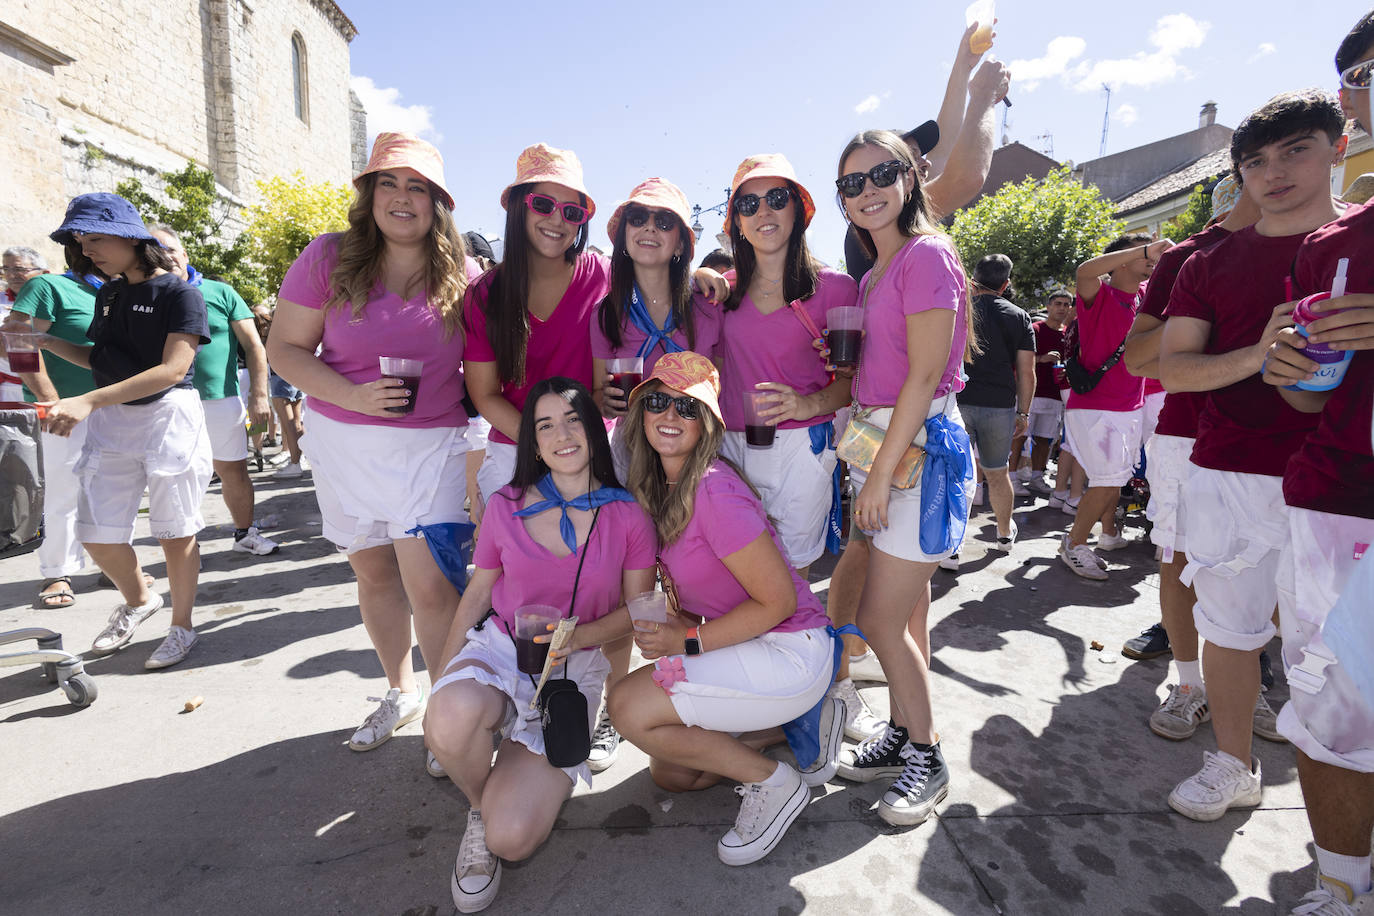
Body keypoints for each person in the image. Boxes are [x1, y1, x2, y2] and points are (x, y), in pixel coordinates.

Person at [1158, 89, 1346, 823]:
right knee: (1230, 629)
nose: (1274, 173)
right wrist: (1257, 355)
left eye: (1296, 149)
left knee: (1336, 657)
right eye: (1256, 161)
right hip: (1230, 468)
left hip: (1342, 483)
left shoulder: (1359, 248)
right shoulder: (1212, 261)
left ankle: (1338, 832)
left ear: (1337, 144)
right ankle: (1233, 764)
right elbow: (1173, 369)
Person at [268, 133, 474, 769]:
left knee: (434, 588)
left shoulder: (463, 276)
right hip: (344, 443)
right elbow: (285, 350)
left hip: (431, 447)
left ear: (438, 202)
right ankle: (399, 689)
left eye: (418, 187)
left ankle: (449, 716)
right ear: (369, 193)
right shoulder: (328, 257)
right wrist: (353, 398)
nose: (403, 197)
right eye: (390, 182)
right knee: (375, 575)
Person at [422, 378, 654, 913]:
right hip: (503, 648)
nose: (561, 434)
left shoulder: (627, 515)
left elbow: (637, 611)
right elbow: (479, 592)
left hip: (573, 671)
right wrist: (443, 680)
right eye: (545, 425)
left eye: (573, 419)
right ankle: (480, 806)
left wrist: (579, 638)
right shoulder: (505, 505)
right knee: (451, 714)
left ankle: (507, 793)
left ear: (595, 430)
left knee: (514, 838)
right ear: (533, 441)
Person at [607, 351, 838, 865]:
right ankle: (799, 725)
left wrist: (685, 642)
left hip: (789, 650)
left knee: (628, 706)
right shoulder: (657, 490)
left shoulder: (713, 490)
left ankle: (775, 784)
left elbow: (777, 602)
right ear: (640, 411)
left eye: (688, 408)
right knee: (673, 770)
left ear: (708, 424)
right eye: (659, 401)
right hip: (747, 645)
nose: (670, 416)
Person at [1256, 17, 1374, 911]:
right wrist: (1288, 370)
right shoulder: (1329, 251)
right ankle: (1343, 888)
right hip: (1341, 508)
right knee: (1335, 717)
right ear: (1354, 95)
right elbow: (1306, 398)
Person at [830, 130, 974, 827]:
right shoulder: (873, 273)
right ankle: (899, 734)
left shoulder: (926, 255)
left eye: (881, 173)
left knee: (878, 620)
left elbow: (924, 375)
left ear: (912, 176)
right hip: (885, 451)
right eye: (852, 183)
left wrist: (881, 475)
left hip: (919, 454)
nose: (867, 191)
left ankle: (927, 756)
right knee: (908, 616)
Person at [1116, 177, 1274, 752]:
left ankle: (1245, 682)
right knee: (1180, 559)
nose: (1277, 178)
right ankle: (1188, 682)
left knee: (1270, 567)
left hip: (1283, 436)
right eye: (1260, 165)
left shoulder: (1318, 247)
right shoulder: (1188, 257)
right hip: (1189, 436)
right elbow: (1136, 357)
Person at [34, 193, 212, 669]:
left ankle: (182, 626)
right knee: (96, 532)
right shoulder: (110, 293)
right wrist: (46, 340)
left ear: (132, 237)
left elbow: (174, 369)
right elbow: (101, 357)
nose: (87, 249)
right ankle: (138, 601)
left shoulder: (180, 293)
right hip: (114, 418)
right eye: (81, 240)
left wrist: (88, 399)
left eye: (96, 238)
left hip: (167, 417)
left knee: (176, 532)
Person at [585, 177, 724, 770]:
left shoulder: (707, 302)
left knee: (695, 568)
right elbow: (597, 386)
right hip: (630, 453)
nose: (650, 229)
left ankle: (698, 687)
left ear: (681, 241)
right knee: (630, 575)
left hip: (697, 450)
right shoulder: (607, 312)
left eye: (664, 221)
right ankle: (616, 703)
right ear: (620, 237)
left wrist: (721, 277)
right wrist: (604, 399)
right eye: (638, 218)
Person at [716, 153, 856, 581]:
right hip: (728, 450)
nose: (764, 211)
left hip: (802, 448)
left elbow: (852, 383)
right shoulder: (721, 293)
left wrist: (806, 403)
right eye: (748, 204)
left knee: (794, 574)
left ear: (798, 209)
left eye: (777, 197)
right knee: (732, 573)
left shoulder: (836, 288)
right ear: (736, 222)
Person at [3, 243, 139, 609]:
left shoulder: (118, 290)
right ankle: (57, 572)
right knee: (62, 493)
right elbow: (15, 340)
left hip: (119, 407)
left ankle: (114, 568)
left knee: (115, 490)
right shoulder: (47, 287)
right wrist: (49, 399)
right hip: (65, 411)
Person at [149, 225, 279, 556]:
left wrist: (259, 396)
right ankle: (185, 553)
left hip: (221, 400)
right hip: (166, 401)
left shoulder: (221, 292)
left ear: (185, 254)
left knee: (233, 469)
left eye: (171, 249)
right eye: (157, 250)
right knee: (178, 476)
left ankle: (244, 534)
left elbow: (254, 346)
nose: (166, 256)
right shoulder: (145, 295)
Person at [1058, 233, 1170, 579]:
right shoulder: (1100, 294)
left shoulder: (1142, 298)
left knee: (1116, 479)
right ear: (1122, 260)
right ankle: (1075, 545)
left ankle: (1094, 537)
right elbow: (1085, 271)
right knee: (1107, 481)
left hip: (1127, 407)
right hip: (1096, 408)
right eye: (1144, 256)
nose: (1151, 261)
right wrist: (1146, 249)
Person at [949, 253, 1033, 568]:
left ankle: (951, 546)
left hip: (958, 401)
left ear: (973, 280)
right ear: (1006, 283)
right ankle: (1002, 535)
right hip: (1000, 406)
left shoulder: (960, 311)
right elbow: (1027, 372)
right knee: (998, 473)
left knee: (956, 475)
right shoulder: (1019, 316)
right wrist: (1023, 412)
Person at [1010, 289, 1072, 493]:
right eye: (1058, 303)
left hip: (1055, 395)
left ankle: (1037, 476)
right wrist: (1042, 359)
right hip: (1030, 393)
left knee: (1045, 438)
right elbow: (1017, 361)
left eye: (1066, 304)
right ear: (1049, 306)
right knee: (1019, 435)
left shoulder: (1068, 334)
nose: (1062, 308)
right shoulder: (1035, 329)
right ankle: (1012, 478)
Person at [2, 247, 49, 402]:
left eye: (19, 269)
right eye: (5, 269)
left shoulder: (53, 301)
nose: (10, 275)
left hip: (52, 387)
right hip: (6, 390)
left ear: (44, 273)